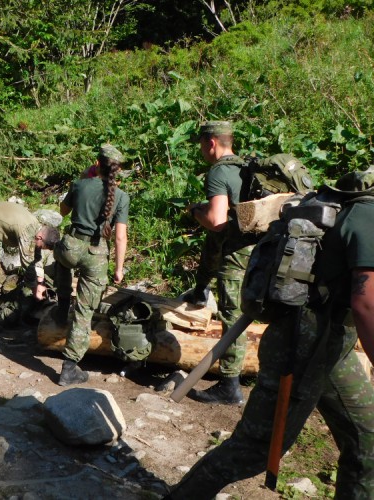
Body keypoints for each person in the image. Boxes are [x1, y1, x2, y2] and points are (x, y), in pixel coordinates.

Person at [166, 168, 374, 499]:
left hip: (334, 341)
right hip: (302, 343)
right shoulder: (368, 213)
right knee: (256, 447)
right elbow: (366, 303)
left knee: (367, 439)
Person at [184, 120, 259, 405]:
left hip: (236, 252)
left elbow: (216, 222)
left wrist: (194, 212)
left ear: (211, 143)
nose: (202, 150)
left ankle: (229, 384)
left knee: (232, 312)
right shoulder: (245, 167)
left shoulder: (218, 172)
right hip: (258, 247)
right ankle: (200, 289)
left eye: (202, 145)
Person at [53, 144, 130, 386]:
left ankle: (62, 302)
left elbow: (62, 211)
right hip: (96, 254)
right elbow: (120, 237)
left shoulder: (80, 185)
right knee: (84, 310)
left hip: (71, 246)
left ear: (96, 164)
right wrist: (118, 268)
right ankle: (69, 367)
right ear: (117, 171)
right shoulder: (121, 196)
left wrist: (83, 178)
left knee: (61, 256)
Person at [0, 201, 59, 333]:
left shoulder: (37, 229)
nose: (41, 249)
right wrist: (35, 288)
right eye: (42, 247)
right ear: (40, 237)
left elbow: (36, 259)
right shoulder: (28, 231)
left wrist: (41, 282)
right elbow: (28, 263)